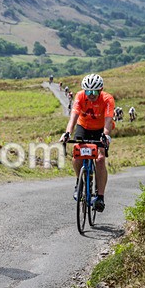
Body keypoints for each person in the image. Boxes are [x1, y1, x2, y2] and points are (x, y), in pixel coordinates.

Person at [59, 73, 114, 212]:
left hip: (101, 129)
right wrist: (67, 133)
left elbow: (108, 120)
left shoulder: (107, 99)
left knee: (100, 159)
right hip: (83, 127)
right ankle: (79, 182)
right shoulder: (80, 96)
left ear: (100, 90)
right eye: (88, 91)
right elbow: (74, 115)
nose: (91, 94)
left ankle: (100, 196)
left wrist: (105, 136)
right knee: (77, 154)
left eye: (94, 91)